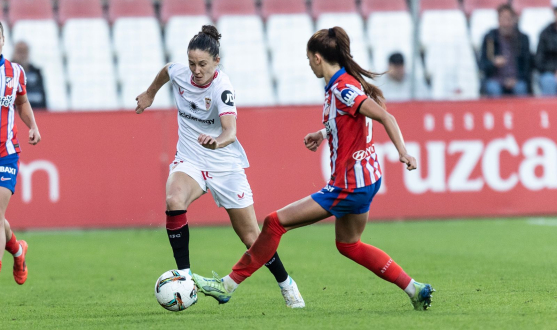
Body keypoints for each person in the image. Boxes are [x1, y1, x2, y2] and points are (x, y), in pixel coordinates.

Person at [193, 27, 435, 311]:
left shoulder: (343, 88)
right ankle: (414, 289)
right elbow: (349, 120)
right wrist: (323, 134)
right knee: (349, 244)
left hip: (349, 184)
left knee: (273, 222)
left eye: (309, 58)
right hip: (367, 179)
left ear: (318, 58)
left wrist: (403, 152)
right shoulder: (344, 83)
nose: (308, 64)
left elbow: (384, 116)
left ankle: (227, 285)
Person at [135, 25, 305, 308]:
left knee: (252, 237)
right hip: (190, 159)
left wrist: (217, 142)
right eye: (192, 63)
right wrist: (150, 93)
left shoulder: (221, 87)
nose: (196, 70)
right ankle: (185, 276)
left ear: (217, 62)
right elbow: (167, 70)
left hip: (224, 164)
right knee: (173, 198)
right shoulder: (181, 72)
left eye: (202, 64)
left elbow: (230, 133)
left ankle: (287, 284)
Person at [0, 22, 42, 284]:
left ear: (3, 40)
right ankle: (17, 250)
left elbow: (22, 101)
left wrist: (33, 125)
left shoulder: (14, 72)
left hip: (5, 153)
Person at [480, 4, 531, 97]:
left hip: (517, 80)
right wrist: (493, 63)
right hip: (496, 80)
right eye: (503, 18)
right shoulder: (490, 38)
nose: (506, 23)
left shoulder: (522, 39)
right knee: (493, 88)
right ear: (498, 20)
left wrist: (517, 79)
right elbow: (482, 65)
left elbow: (527, 65)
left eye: (509, 18)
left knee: (521, 88)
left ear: (514, 20)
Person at [11, 41, 47, 109]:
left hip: (37, 114)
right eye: (19, 51)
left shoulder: (37, 72)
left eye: (25, 51)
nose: (22, 55)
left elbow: (43, 97)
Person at [535, 7, 557, 96]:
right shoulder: (545, 33)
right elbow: (539, 60)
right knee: (549, 82)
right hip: (549, 72)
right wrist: (554, 70)